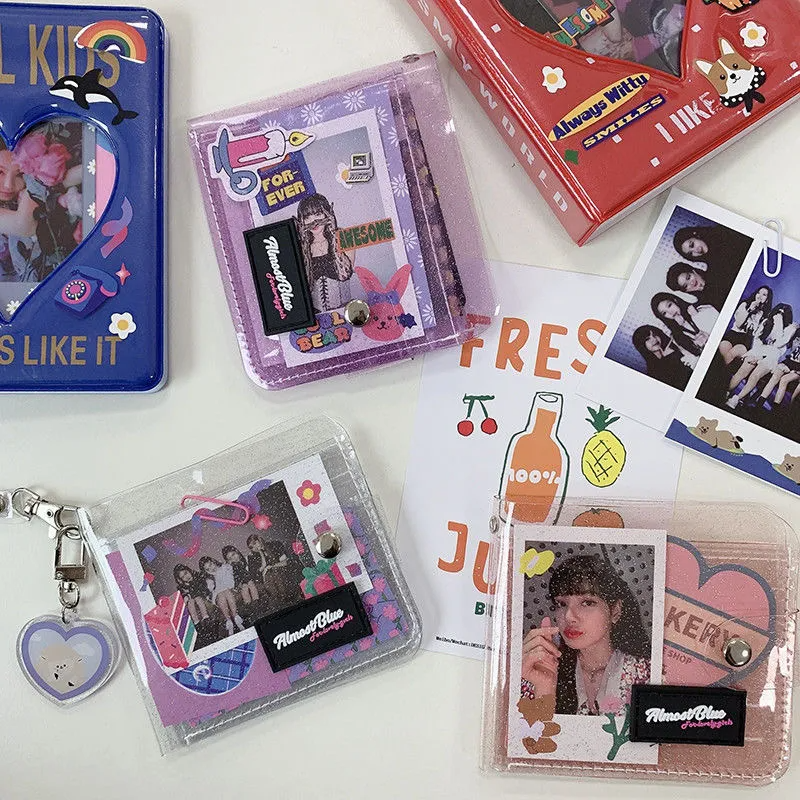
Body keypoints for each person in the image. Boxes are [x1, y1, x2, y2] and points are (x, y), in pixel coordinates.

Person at [520, 555, 651, 715]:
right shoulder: (535, 671)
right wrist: (544, 687)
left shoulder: (648, 674)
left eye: (587, 603)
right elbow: (530, 731)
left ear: (615, 611)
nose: (568, 616)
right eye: (561, 604)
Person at [726, 303, 797, 410]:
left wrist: (778, 323)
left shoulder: (789, 329)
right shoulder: (766, 322)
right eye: (778, 312)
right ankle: (726, 392)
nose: (779, 315)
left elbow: (778, 344)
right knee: (743, 371)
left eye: (783, 313)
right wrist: (756, 355)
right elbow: (757, 339)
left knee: (755, 375)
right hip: (759, 351)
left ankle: (736, 398)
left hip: (772, 356)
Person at [295, 194, 353, 312]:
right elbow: (303, 285)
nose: (313, 222)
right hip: (316, 316)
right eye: (307, 217)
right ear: (301, 220)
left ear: (327, 214)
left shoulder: (343, 236)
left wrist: (333, 234)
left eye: (318, 214)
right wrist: (303, 243)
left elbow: (344, 274)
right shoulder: (300, 247)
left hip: (345, 311)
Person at [672, 223, 750, 294]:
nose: (696, 250)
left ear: (696, 235)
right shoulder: (713, 273)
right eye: (691, 253)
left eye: (692, 245)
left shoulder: (725, 230)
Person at [651, 292, 718, 362]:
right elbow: (694, 359)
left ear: (675, 301)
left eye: (669, 305)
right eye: (664, 313)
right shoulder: (677, 337)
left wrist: (697, 317)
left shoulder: (701, 309)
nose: (670, 312)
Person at [247, 534, 304, 609]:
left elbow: (285, 562)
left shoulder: (274, 545)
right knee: (269, 575)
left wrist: (271, 566)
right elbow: (258, 572)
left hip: (282, 570)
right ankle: (280, 599)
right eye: (252, 547)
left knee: (274, 572)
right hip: (268, 577)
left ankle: (281, 598)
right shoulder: (254, 556)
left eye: (255, 543)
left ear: (259, 539)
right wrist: (261, 553)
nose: (255, 547)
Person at [718, 285, 772, 365]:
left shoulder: (765, 316)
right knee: (723, 350)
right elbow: (739, 324)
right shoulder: (745, 305)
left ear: (767, 300)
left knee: (732, 354)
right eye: (758, 293)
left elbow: (759, 336)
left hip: (745, 340)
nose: (760, 296)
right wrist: (750, 309)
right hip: (733, 334)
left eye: (764, 295)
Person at [632, 324, 692, 389]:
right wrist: (671, 359)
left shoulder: (673, 351)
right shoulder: (653, 372)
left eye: (654, 335)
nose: (654, 339)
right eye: (648, 339)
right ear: (642, 345)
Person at [199, 555, 245, 636]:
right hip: (219, 595)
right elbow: (212, 590)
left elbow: (232, 579)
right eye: (208, 569)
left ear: (213, 561)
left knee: (226, 591)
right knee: (221, 594)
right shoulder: (209, 579)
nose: (211, 568)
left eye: (210, 565)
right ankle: (229, 621)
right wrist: (212, 577)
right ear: (205, 571)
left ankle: (236, 617)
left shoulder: (225, 567)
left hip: (230, 590)